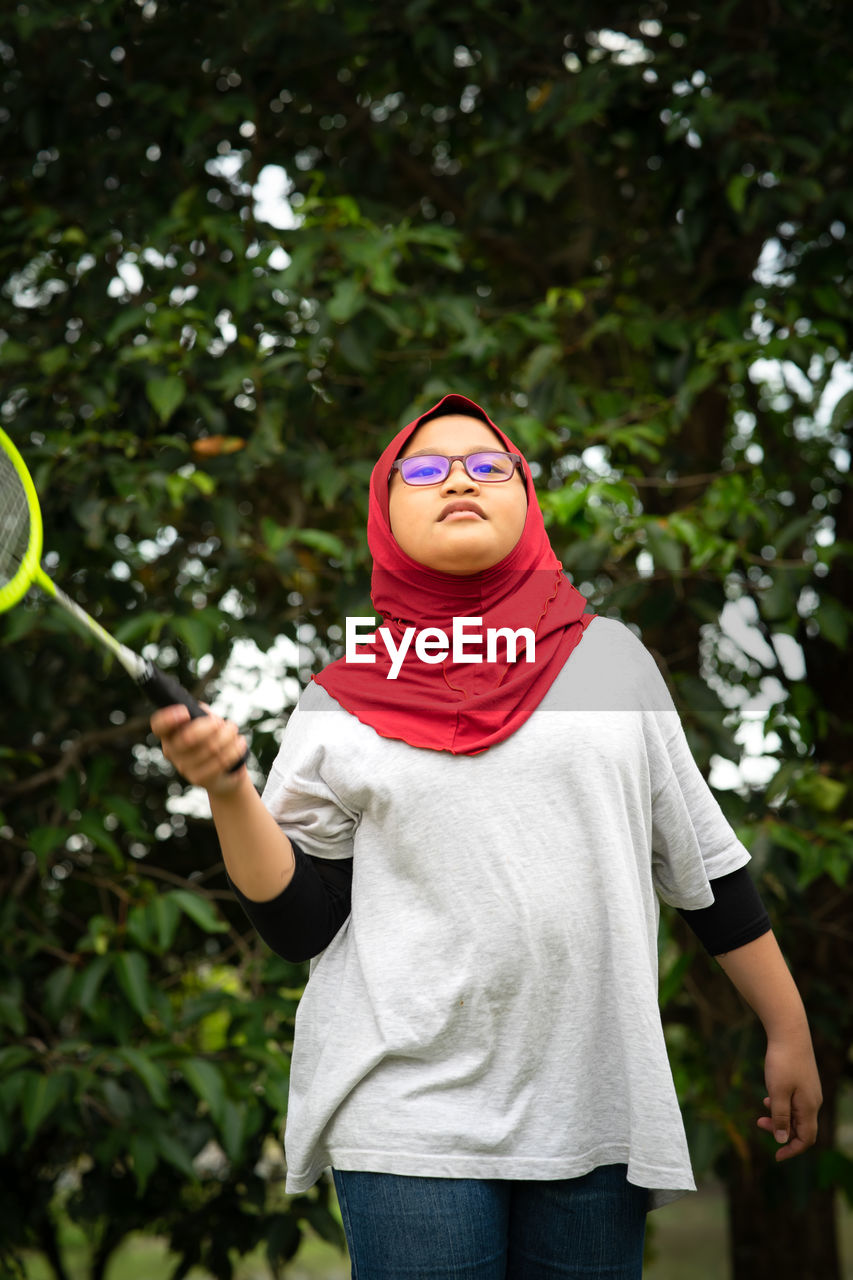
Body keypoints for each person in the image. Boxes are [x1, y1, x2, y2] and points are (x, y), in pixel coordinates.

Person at [151, 394, 822, 1280]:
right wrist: (228, 790)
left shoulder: (610, 659)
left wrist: (787, 1027)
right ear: (384, 514)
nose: (458, 478)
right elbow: (301, 925)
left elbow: (703, 869)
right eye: (423, 470)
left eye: (486, 464)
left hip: (595, 1106)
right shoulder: (339, 699)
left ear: (527, 500)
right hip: (405, 1117)